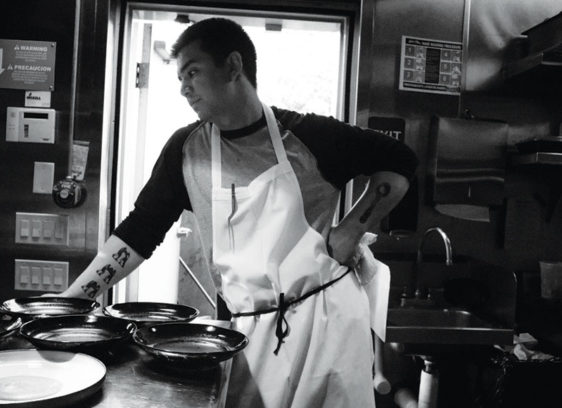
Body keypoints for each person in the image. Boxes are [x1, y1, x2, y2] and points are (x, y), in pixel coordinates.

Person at [60, 17, 418, 408]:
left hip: (326, 320)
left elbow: (399, 161)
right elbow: (139, 231)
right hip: (246, 331)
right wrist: (72, 302)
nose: (183, 88)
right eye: (180, 77)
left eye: (192, 72)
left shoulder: (308, 136)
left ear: (233, 66)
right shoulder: (186, 150)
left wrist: (350, 231)